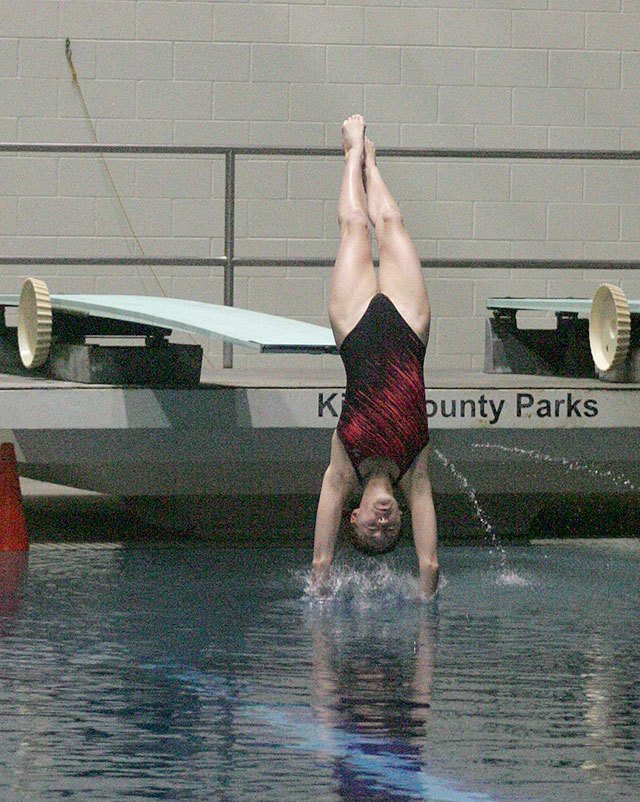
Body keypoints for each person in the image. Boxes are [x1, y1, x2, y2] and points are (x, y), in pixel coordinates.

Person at [311, 115, 439, 599]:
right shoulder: (415, 469)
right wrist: (427, 593)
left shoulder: (344, 468)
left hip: (356, 329)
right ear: (403, 514)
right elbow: (429, 563)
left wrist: (321, 585)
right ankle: (374, 164)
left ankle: (351, 155)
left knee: (353, 228)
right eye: (391, 532)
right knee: (391, 222)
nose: (382, 525)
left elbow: (322, 561)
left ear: (354, 514)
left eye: (370, 530)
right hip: (410, 331)